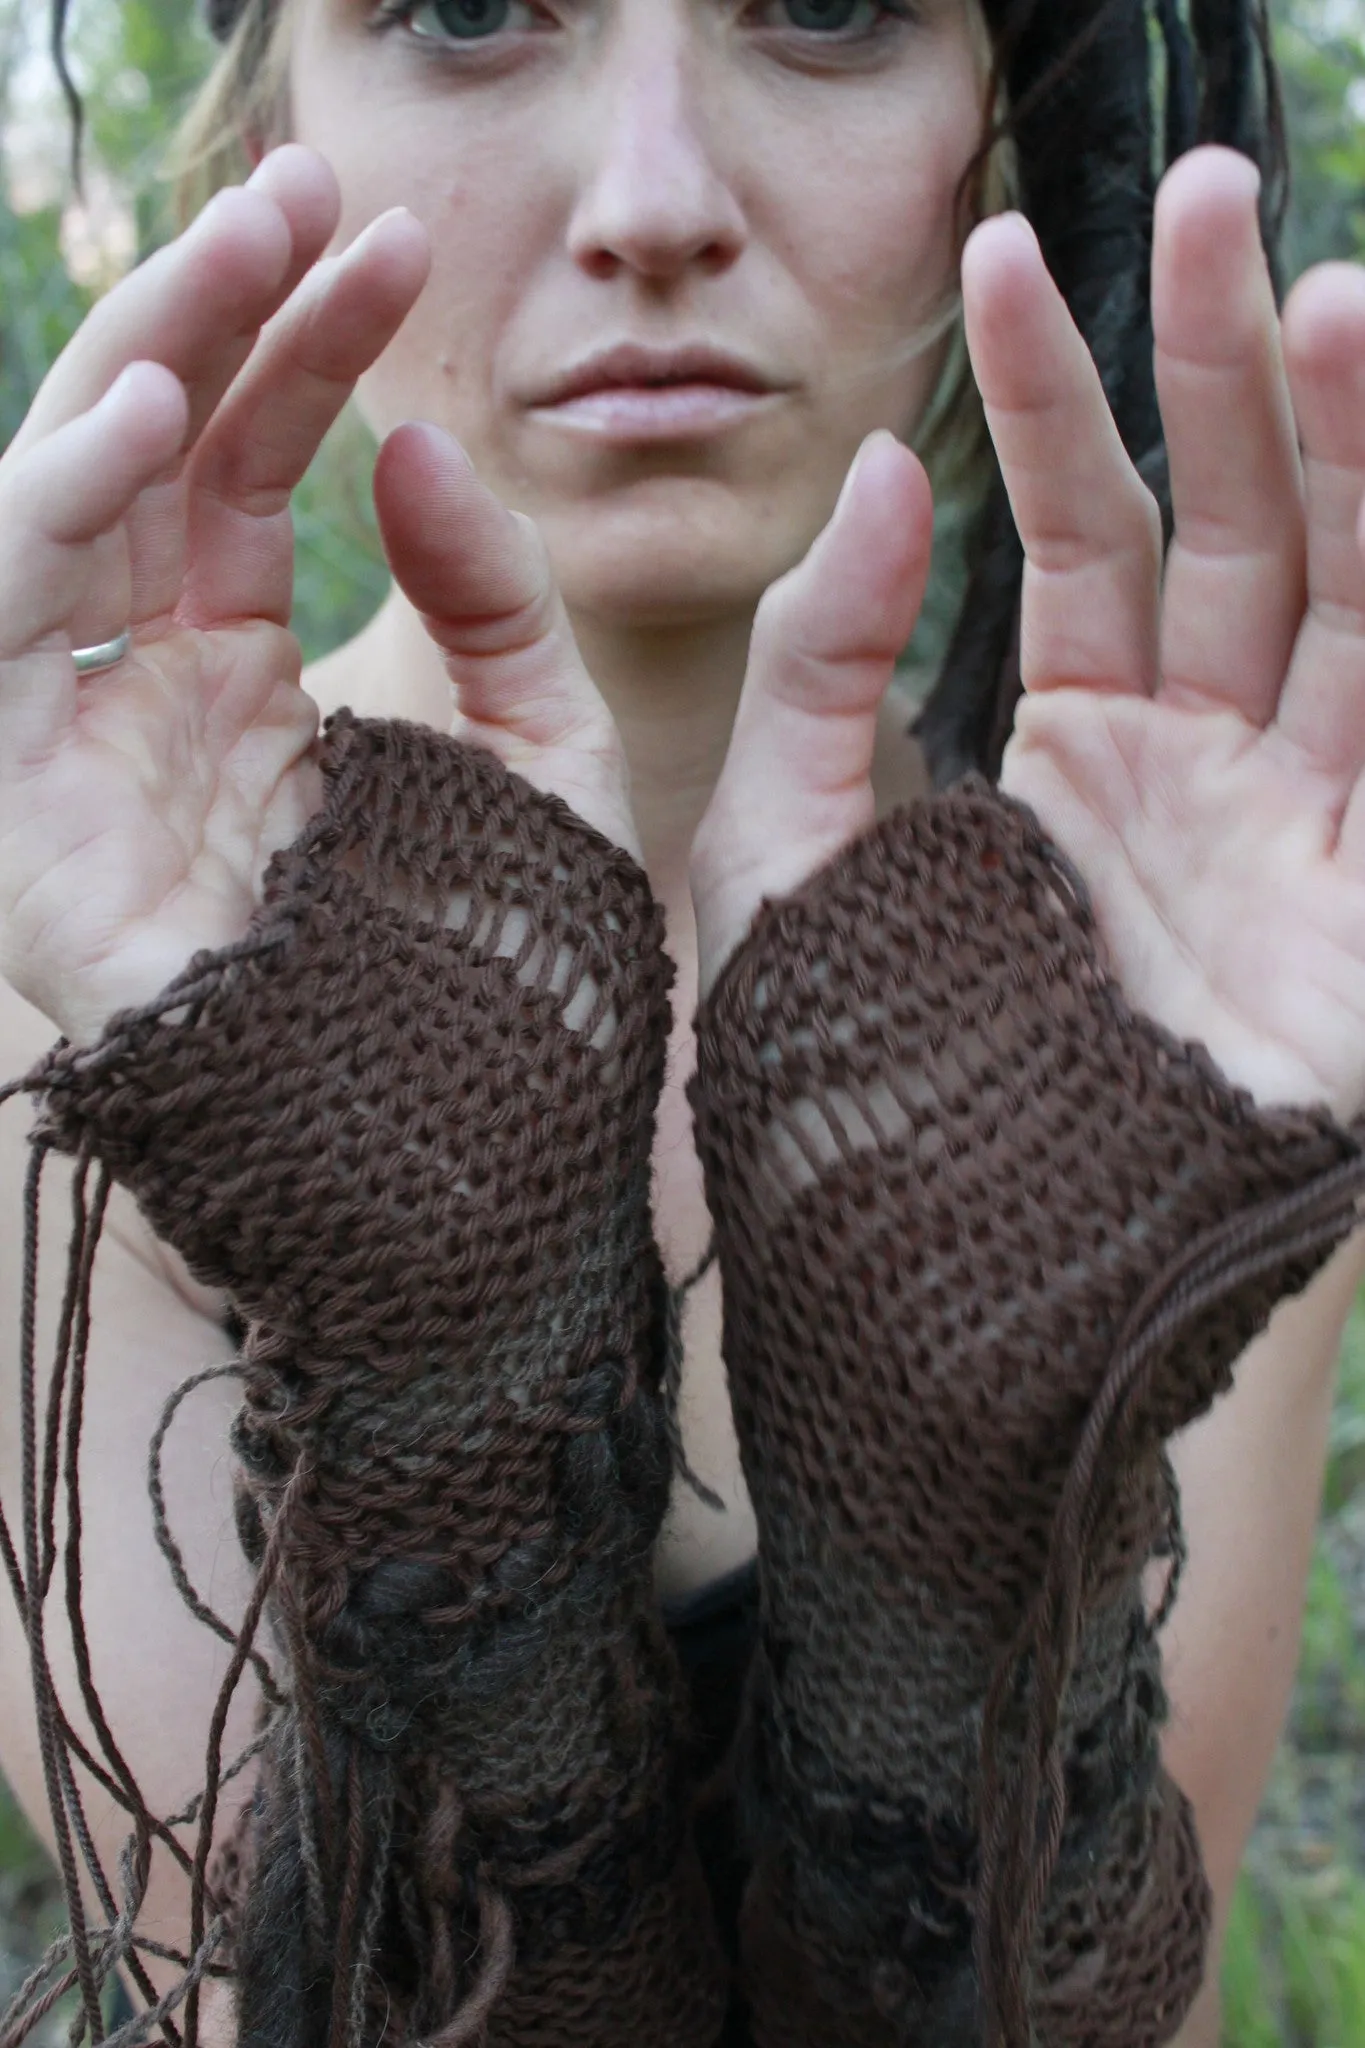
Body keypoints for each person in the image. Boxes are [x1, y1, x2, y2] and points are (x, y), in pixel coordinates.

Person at [1, 0, 1364, 2040]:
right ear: (269, 120)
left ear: (994, 121)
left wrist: (959, 1618)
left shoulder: (1185, 1014)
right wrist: (441, 1376)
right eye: (467, 10)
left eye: (823, 8)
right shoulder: (79, 1007)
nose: (653, 201)